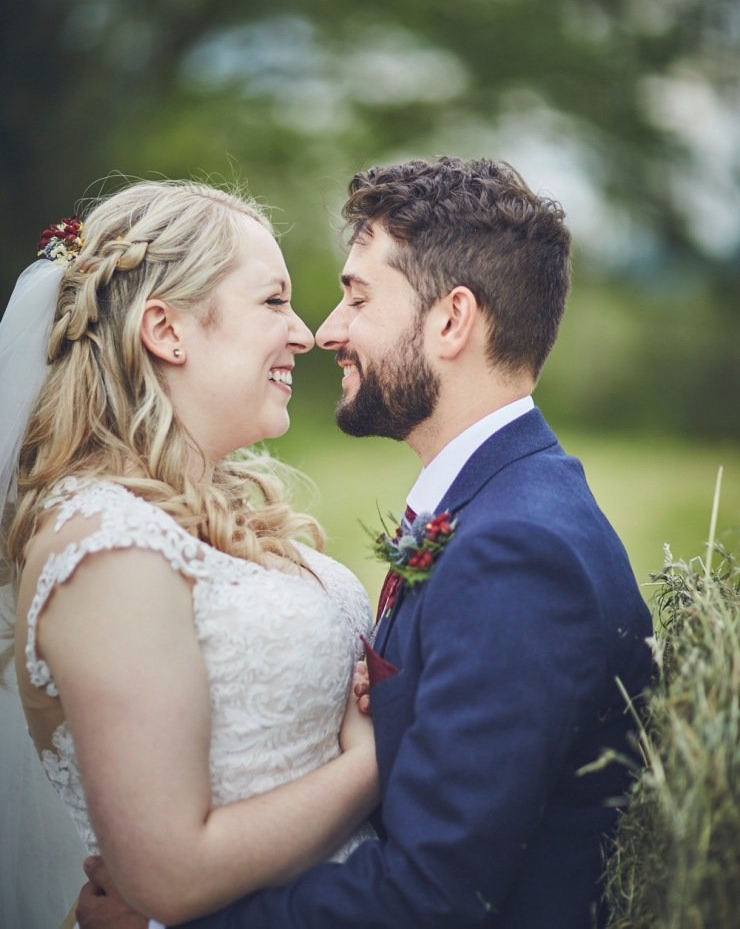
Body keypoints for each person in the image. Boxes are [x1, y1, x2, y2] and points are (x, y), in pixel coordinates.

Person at [77, 157, 654, 928]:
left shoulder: (518, 549)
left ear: (451, 321)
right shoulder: (502, 505)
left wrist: (163, 925)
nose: (327, 331)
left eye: (357, 296)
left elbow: (431, 895)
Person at [0, 180, 381, 927]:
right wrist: (377, 761)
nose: (304, 334)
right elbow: (170, 877)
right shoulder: (105, 547)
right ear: (167, 331)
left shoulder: (222, 511)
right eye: (273, 302)